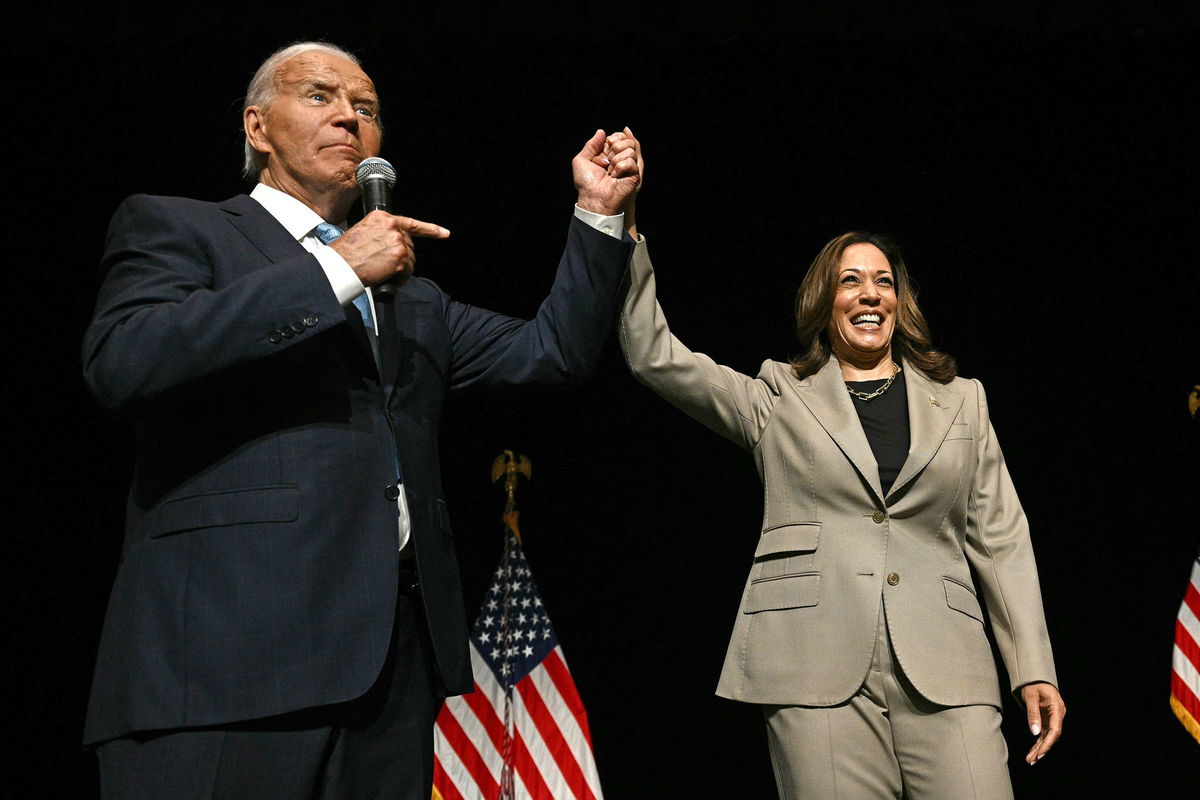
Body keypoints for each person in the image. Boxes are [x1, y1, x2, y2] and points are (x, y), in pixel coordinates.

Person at [81, 41, 641, 799]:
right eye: (319, 96)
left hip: (388, 676)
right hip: (222, 667)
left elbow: (553, 352)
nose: (348, 114)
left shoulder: (412, 298)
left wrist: (597, 216)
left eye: (367, 109)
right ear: (257, 127)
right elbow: (125, 360)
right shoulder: (179, 228)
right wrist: (336, 269)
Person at [617, 219, 1065, 797]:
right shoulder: (777, 396)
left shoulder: (963, 402)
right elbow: (654, 357)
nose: (869, 293)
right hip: (814, 661)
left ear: (900, 302)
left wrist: (1032, 666)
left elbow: (1002, 539)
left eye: (883, 281)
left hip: (946, 663)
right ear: (824, 301)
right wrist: (622, 232)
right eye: (849, 280)